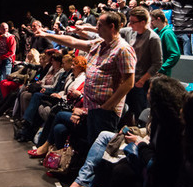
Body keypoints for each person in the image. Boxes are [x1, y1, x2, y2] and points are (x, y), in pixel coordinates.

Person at [35, 11, 136, 145]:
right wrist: (46, 34)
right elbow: (73, 41)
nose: (96, 27)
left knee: (99, 147)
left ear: (112, 27)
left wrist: (107, 106)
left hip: (105, 110)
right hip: (92, 106)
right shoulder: (100, 43)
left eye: (100, 25)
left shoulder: (123, 49)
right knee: (91, 142)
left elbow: (128, 83)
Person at [120, 7, 163, 120]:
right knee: (125, 110)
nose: (130, 24)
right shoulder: (130, 32)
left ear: (143, 22)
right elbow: (112, 31)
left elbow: (157, 63)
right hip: (128, 79)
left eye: (133, 22)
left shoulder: (153, 38)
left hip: (140, 83)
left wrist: (142, 80)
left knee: (139, 111)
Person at [149, 9, 180, 76]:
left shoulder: (167, 33)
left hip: (162, 74)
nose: (151, 23)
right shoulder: (155, 32)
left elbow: (175, 54)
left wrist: (162, 68)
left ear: (158, 19)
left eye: (152, 20)